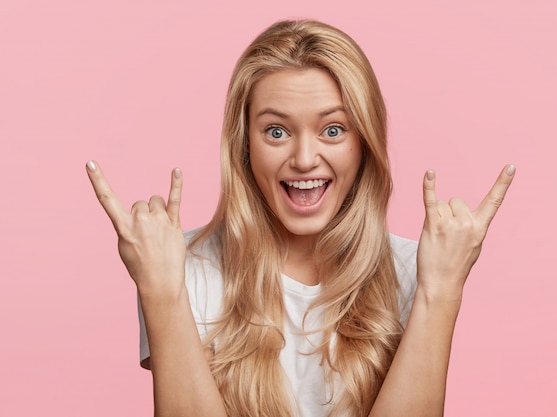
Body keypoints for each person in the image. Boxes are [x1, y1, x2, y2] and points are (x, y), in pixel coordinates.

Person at [86, 19, 515, 417]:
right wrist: (161, 292)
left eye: (333, 130)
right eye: (277, 131)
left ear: (364, 142)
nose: (305, 160)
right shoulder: (178, 266)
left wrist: (440, 292)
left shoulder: (417, 271)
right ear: (244, 145)